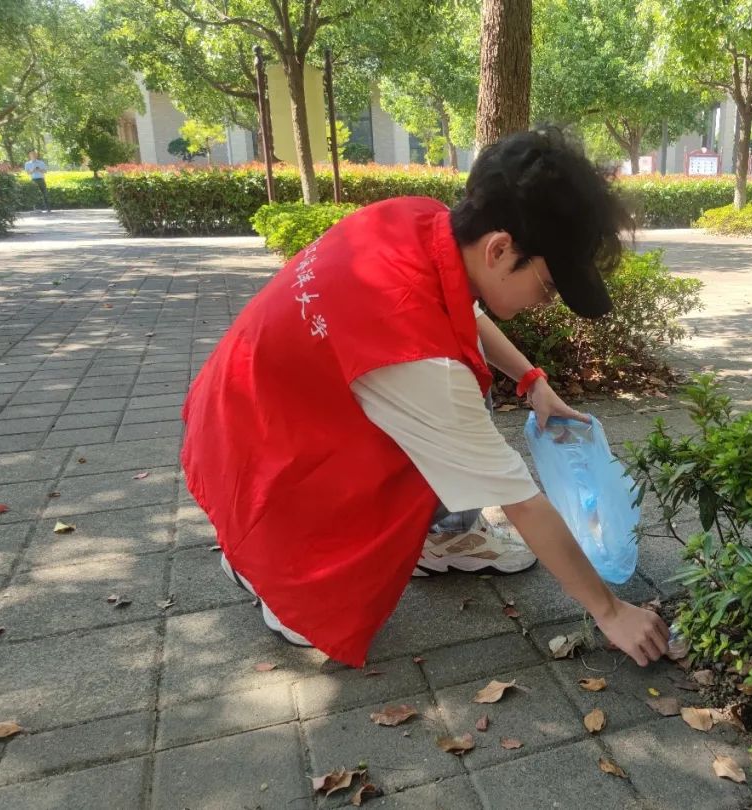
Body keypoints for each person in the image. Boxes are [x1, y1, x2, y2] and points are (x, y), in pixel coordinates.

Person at [181, 127, 670, 669]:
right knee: (316, 606)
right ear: (500, 249)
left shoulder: (420, 219)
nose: (546, 302)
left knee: (459, 395)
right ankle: (260, 568)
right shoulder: (419, 359)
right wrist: (609, 611)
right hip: (259, 440)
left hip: (263, 396)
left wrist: (533, 381)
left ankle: (444, 535)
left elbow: (465, 316)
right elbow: (520, 498)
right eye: (549, 286)